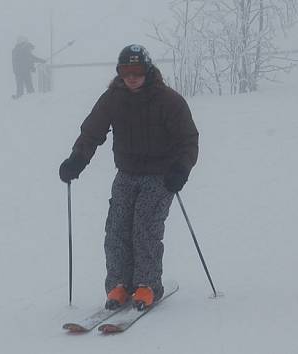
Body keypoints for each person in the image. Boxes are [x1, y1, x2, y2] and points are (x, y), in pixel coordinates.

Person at [58, 44, 199, 311]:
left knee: (145, 228)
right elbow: (92, 132)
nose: (131, 76)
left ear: (147, 70)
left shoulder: (168, 100)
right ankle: (119, 283)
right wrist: (77, 160)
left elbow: (188, 139)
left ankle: (147, 285)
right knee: (117, 229)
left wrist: (181, 169)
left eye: (136, 71)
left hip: (160, 175)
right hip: (127, 173)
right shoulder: (113, 98)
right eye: (125, 71)